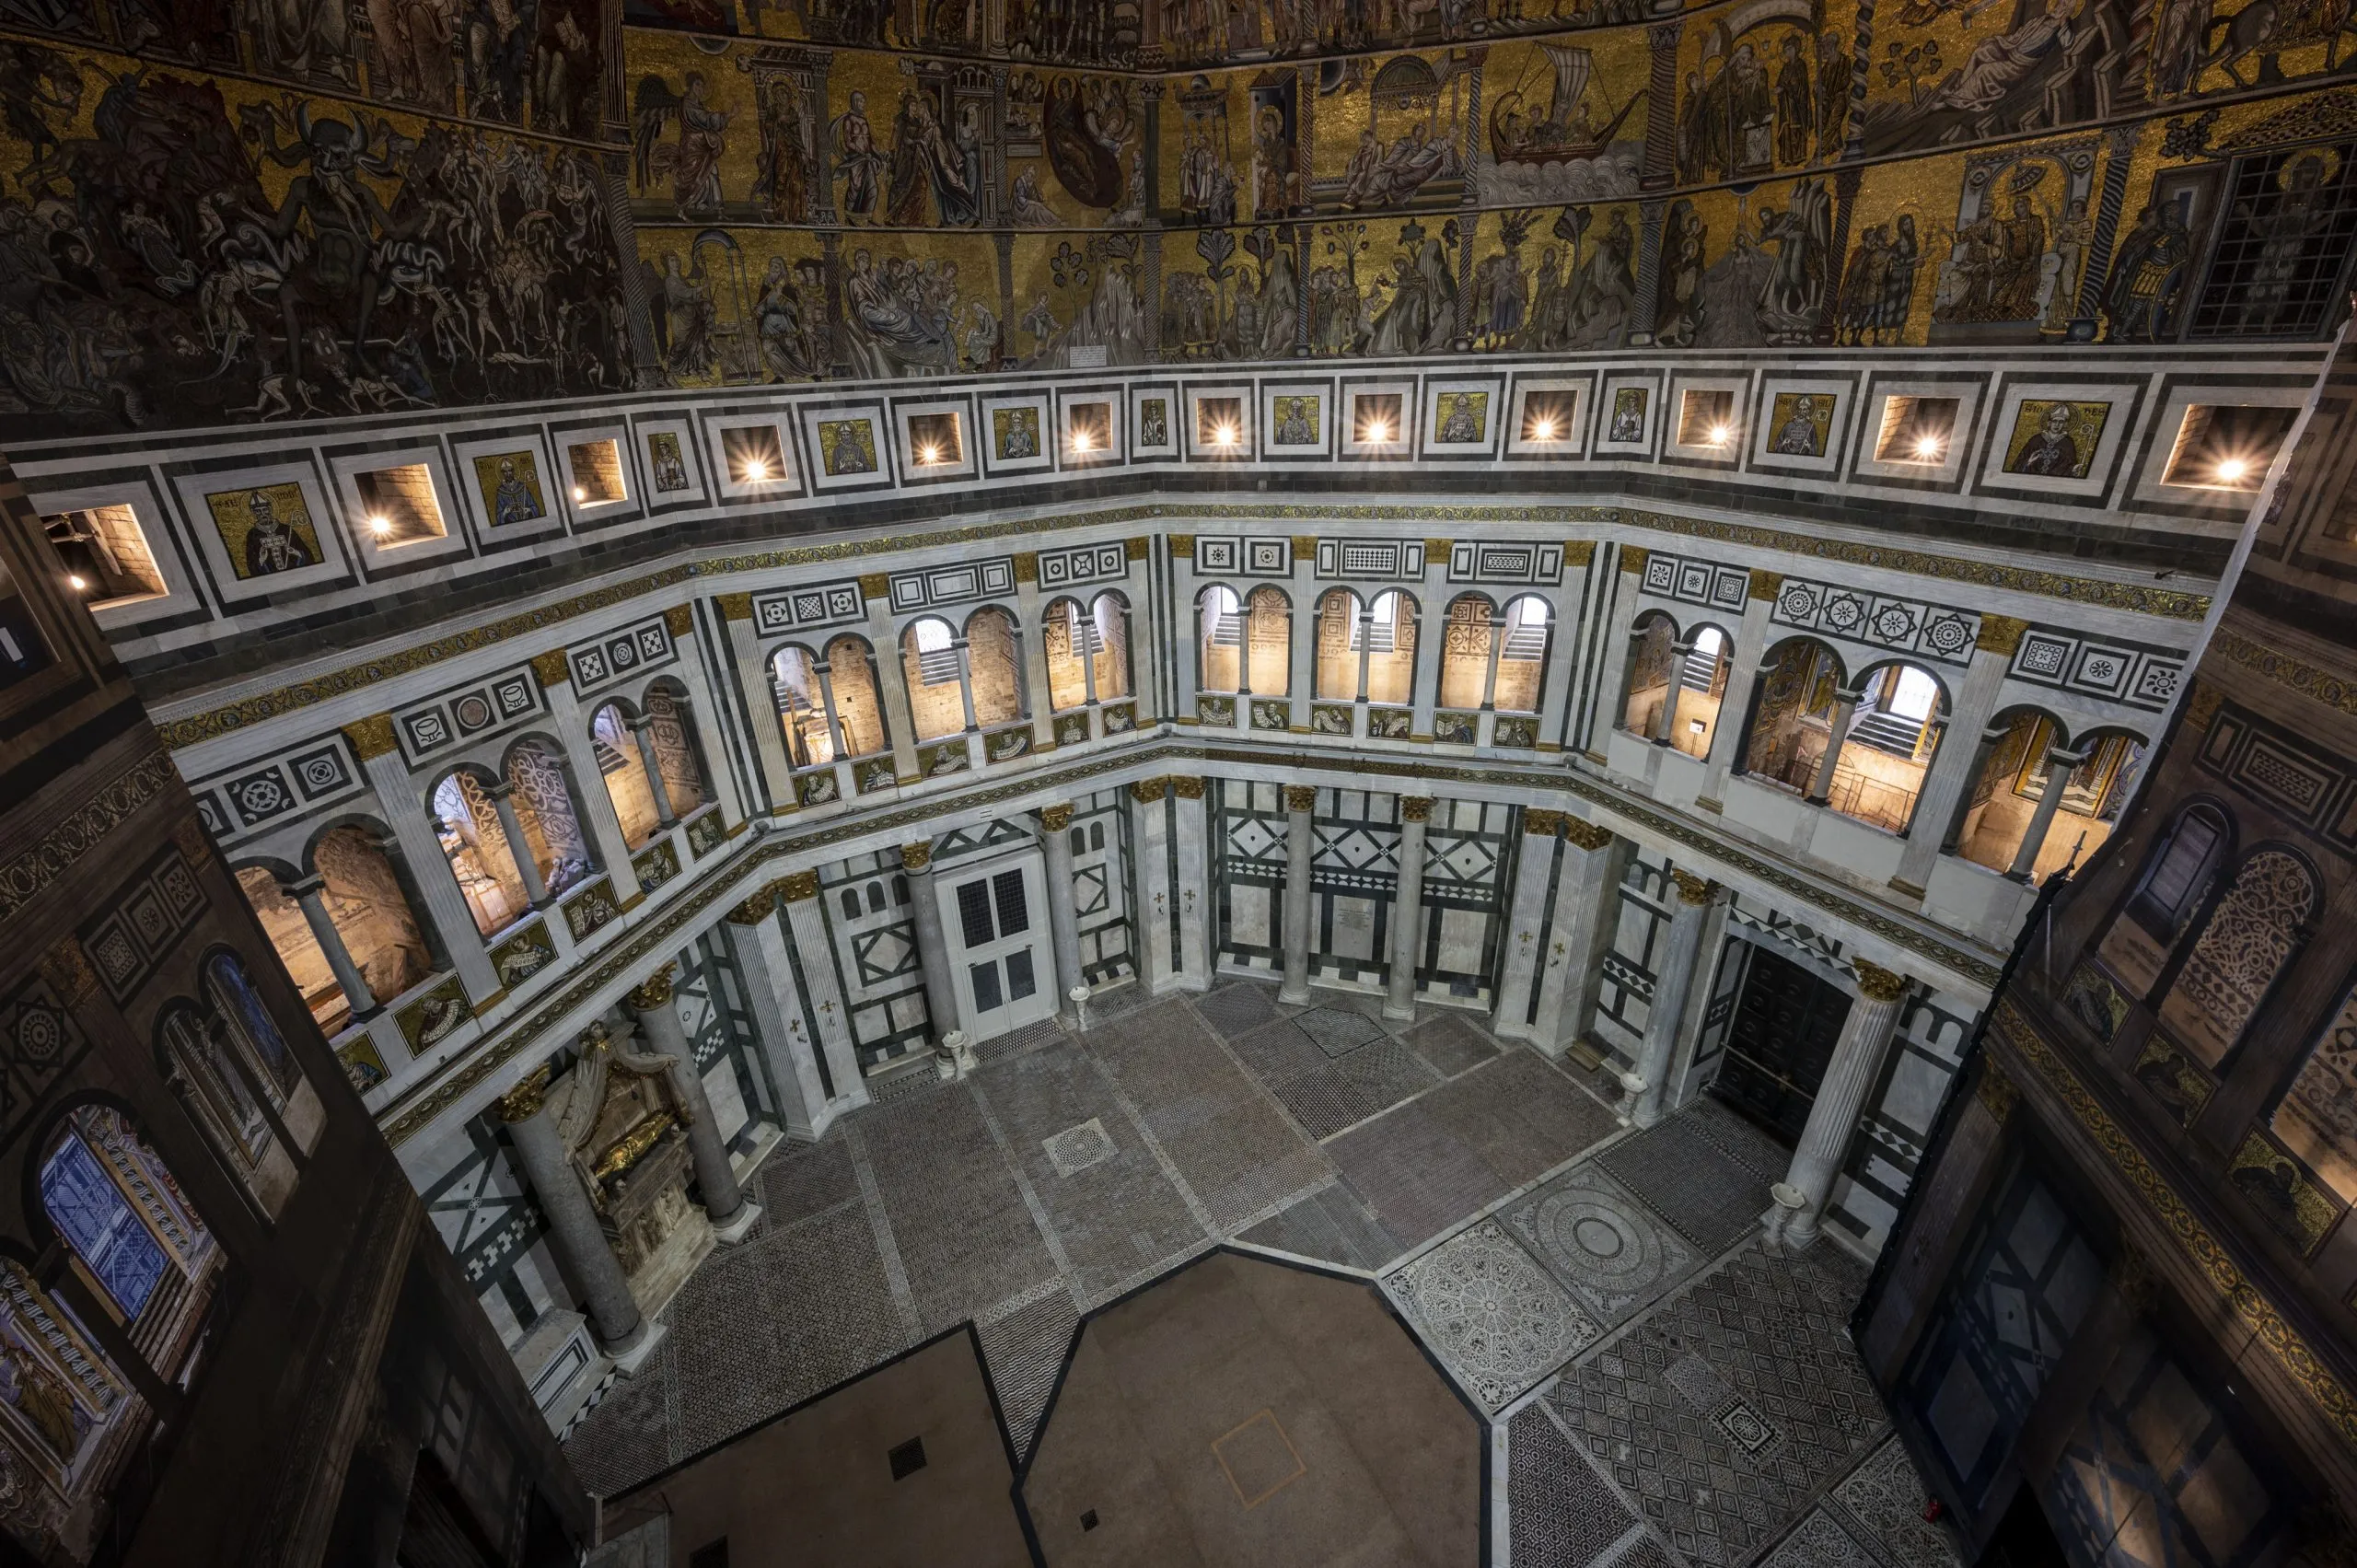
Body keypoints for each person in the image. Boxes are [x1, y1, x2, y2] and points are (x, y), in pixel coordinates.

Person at [241, 489, 313, 575]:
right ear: (253, 513)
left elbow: (306, 553)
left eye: (265, 510)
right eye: (258, 511)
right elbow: (251, 563)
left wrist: (295, 552)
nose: (263, 514)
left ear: (270, 509)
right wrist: (261, 559)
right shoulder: (252, 534)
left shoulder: (286, 529)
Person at [2012, 401, 2082, 475]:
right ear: (2049, 423)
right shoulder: (2036, 439)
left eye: (2061, 422)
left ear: (2065, 424)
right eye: (2054, 421)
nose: (2057, 424)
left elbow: (2069, 465)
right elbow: (2018, 463)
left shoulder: (2068, 443)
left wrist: (2073, 470)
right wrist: (2028, 462)